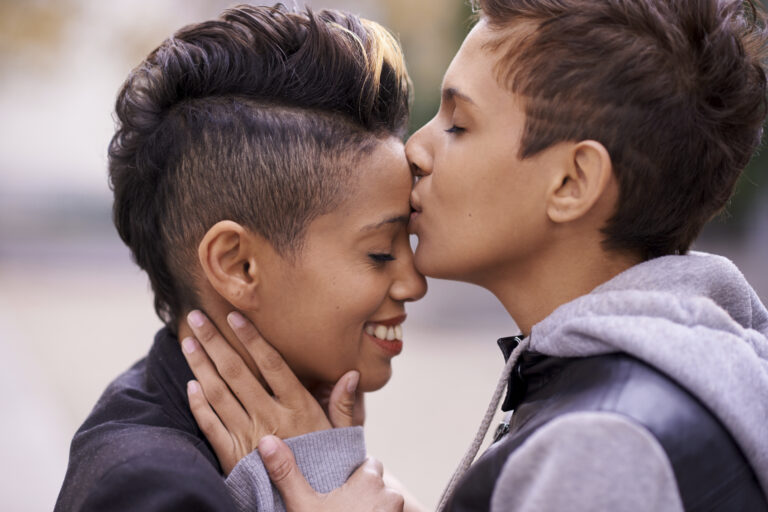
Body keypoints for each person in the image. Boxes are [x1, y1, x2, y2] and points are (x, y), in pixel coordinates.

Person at [187, 0, 768, 510]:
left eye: (459, 124)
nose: (415, 149)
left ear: (571, 182)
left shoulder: (602, 448)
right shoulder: (679, 382)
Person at [54, 5, 426, 511]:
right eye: (380, 253)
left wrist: (332, 468)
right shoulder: (151, 489)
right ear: (238, 266)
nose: (414, 283)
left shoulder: (288, 429)